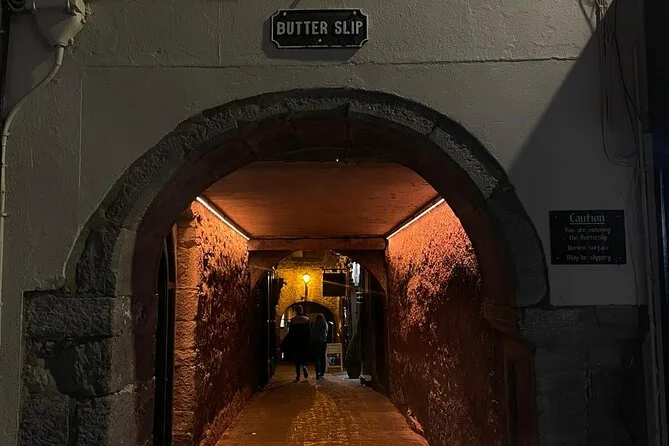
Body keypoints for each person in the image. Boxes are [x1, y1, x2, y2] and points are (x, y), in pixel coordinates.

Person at [287, 305, 310, 381]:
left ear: (296, 311)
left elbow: (290, 332)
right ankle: (304, 366)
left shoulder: (293, 320)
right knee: (304, 356)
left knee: (296, 359)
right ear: (302, 310)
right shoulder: (306, 319)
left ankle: (298, 376)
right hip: (304, 341)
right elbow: (308, 332)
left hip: (295, 341)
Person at [311, 313, 329, 380]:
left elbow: (312, 334)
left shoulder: (315, 325)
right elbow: (326, 333)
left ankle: (317, 373)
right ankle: (322, 373)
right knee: (322, 357)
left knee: (317, 358)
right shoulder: (325, 324)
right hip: (323, 342)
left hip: (316, 343)